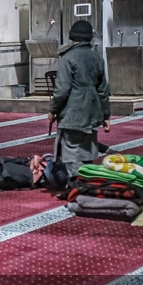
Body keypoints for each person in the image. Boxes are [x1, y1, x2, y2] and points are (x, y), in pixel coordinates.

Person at [47, 20, 112, 177]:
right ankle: (89, 183)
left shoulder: (68, 58)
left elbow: (62, 90)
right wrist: (106, 115)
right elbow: (103, 90)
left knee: (72, 152)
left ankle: (78, 187)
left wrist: (52, 110)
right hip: (92, 111)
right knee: (87, 151)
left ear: (72, 37)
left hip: (73, 113)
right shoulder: (97, 58)